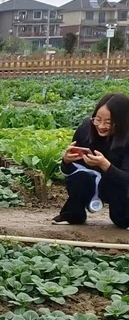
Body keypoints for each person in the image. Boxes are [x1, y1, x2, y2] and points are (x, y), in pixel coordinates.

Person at [53, 93, 129, 228]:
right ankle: (73, 214)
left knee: (122, 221)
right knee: (78, 177)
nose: (101, 125)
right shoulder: (85, 129)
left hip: (120, 188)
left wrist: (105, 165)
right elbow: (70, 173)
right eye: (97, 119)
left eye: (108, 122)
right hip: (94, 181)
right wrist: (66, 162)